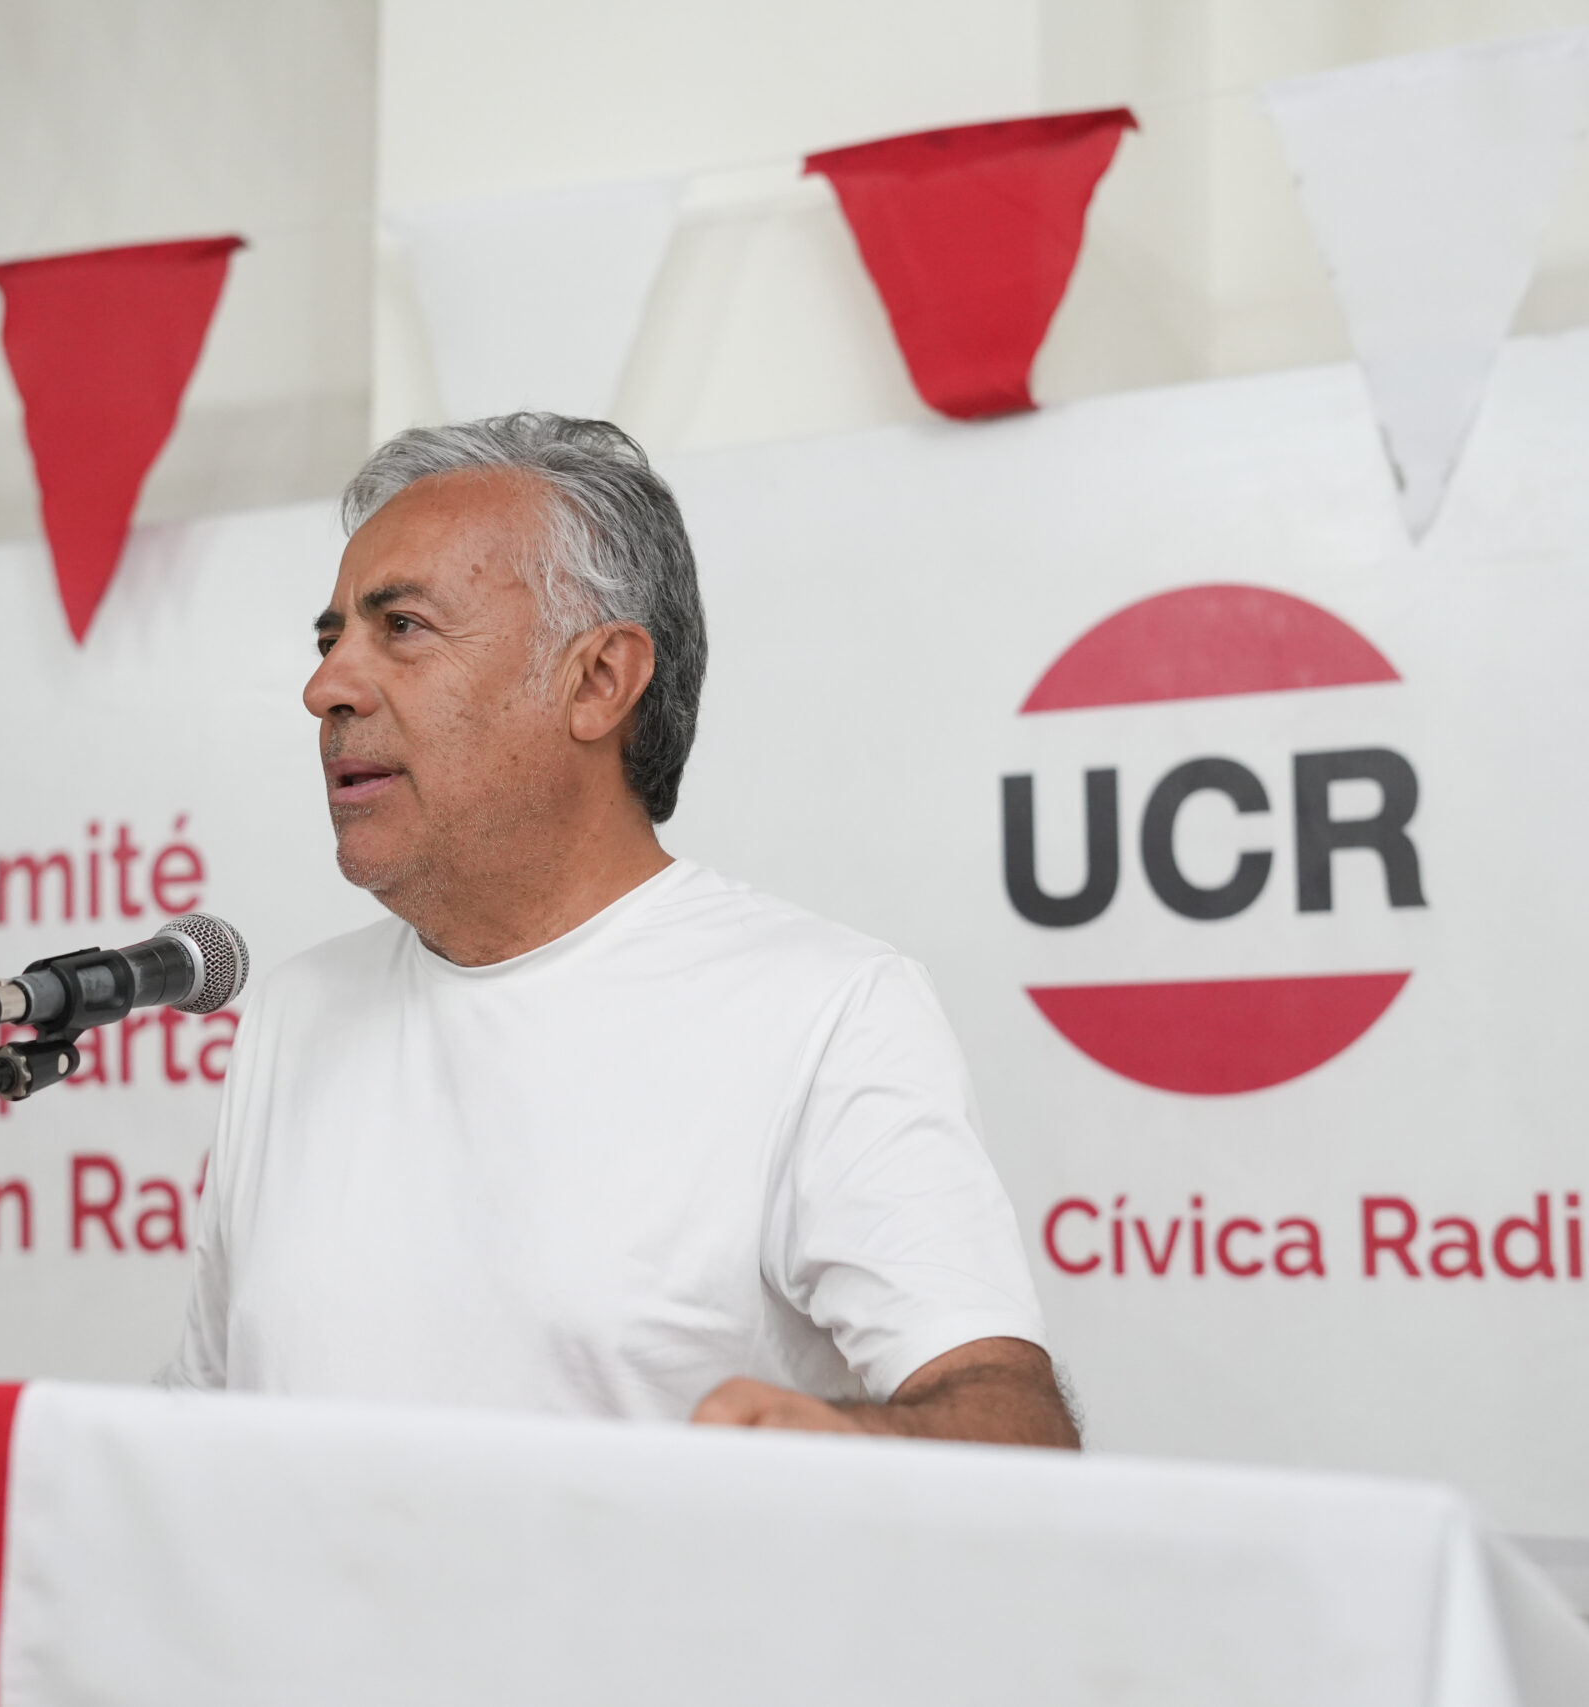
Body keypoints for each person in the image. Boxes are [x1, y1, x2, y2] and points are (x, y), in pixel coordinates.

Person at [171, 414, 1077, 1447]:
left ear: (599, 680)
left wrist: (844, 1450)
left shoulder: (826, 1011)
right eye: (329, 639)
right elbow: (200, 1422)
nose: (324, 687)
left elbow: (1017, 1429)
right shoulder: (294, 1013)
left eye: (403, 628)